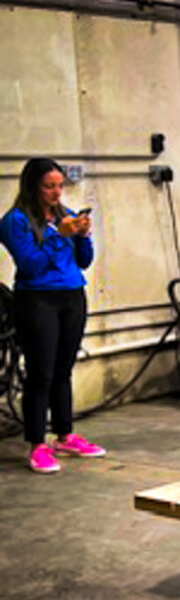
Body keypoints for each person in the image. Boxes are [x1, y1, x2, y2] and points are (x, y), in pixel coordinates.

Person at [1, 158, 106, 474]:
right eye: (49, 186)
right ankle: (37, 444)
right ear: (33, 186)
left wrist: (83, 236)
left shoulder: (67, 216)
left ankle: (65, 434)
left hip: (72, 295)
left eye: (60, 186)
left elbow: (84, 261)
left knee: (63, 369)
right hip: (37, 299)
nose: (57, 192)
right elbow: (30, 264)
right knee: (40, 372)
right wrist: (60, 235)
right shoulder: (15, 221)